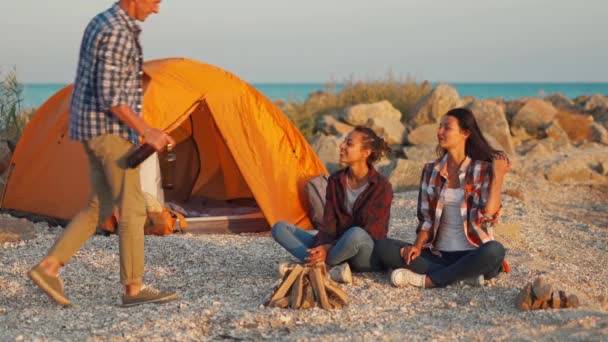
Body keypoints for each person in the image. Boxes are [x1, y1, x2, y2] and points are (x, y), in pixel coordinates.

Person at [27, 0, 178, 307]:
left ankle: (49, 267)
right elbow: (111, 97)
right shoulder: (116, 30)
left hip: (90, 129)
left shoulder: (102, 21)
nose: (156, 10)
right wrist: (146, 130)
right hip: (109, 132)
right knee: (133, 208)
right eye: (154, 2)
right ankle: (133, 290)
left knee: (100, 205)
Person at [376, 107, 510, 288]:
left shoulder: (483, 170)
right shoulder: (431, 170)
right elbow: (426, 220)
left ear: (465, 133)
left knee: (495, 251)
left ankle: (429, 280)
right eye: (440, 127)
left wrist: (498, 178)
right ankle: (463, 276)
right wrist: (417, 246)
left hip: (474, 252)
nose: (439, 132)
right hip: (438, 255)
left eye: (447, 128)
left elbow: (490, 217)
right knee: (383, 247)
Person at [271, 126, 393, 283]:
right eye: (344, 142)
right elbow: (328, 223)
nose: (341, 146)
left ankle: (314, 266)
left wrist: (327, 249)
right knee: (279, 228)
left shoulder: (381, 186)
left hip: (364, 254)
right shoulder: (335, 180)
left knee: (355, 233)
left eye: (349, 144)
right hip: (336, 247)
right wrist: (322, 245)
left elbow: (371, 232)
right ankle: (324, 266)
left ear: (365, 153)